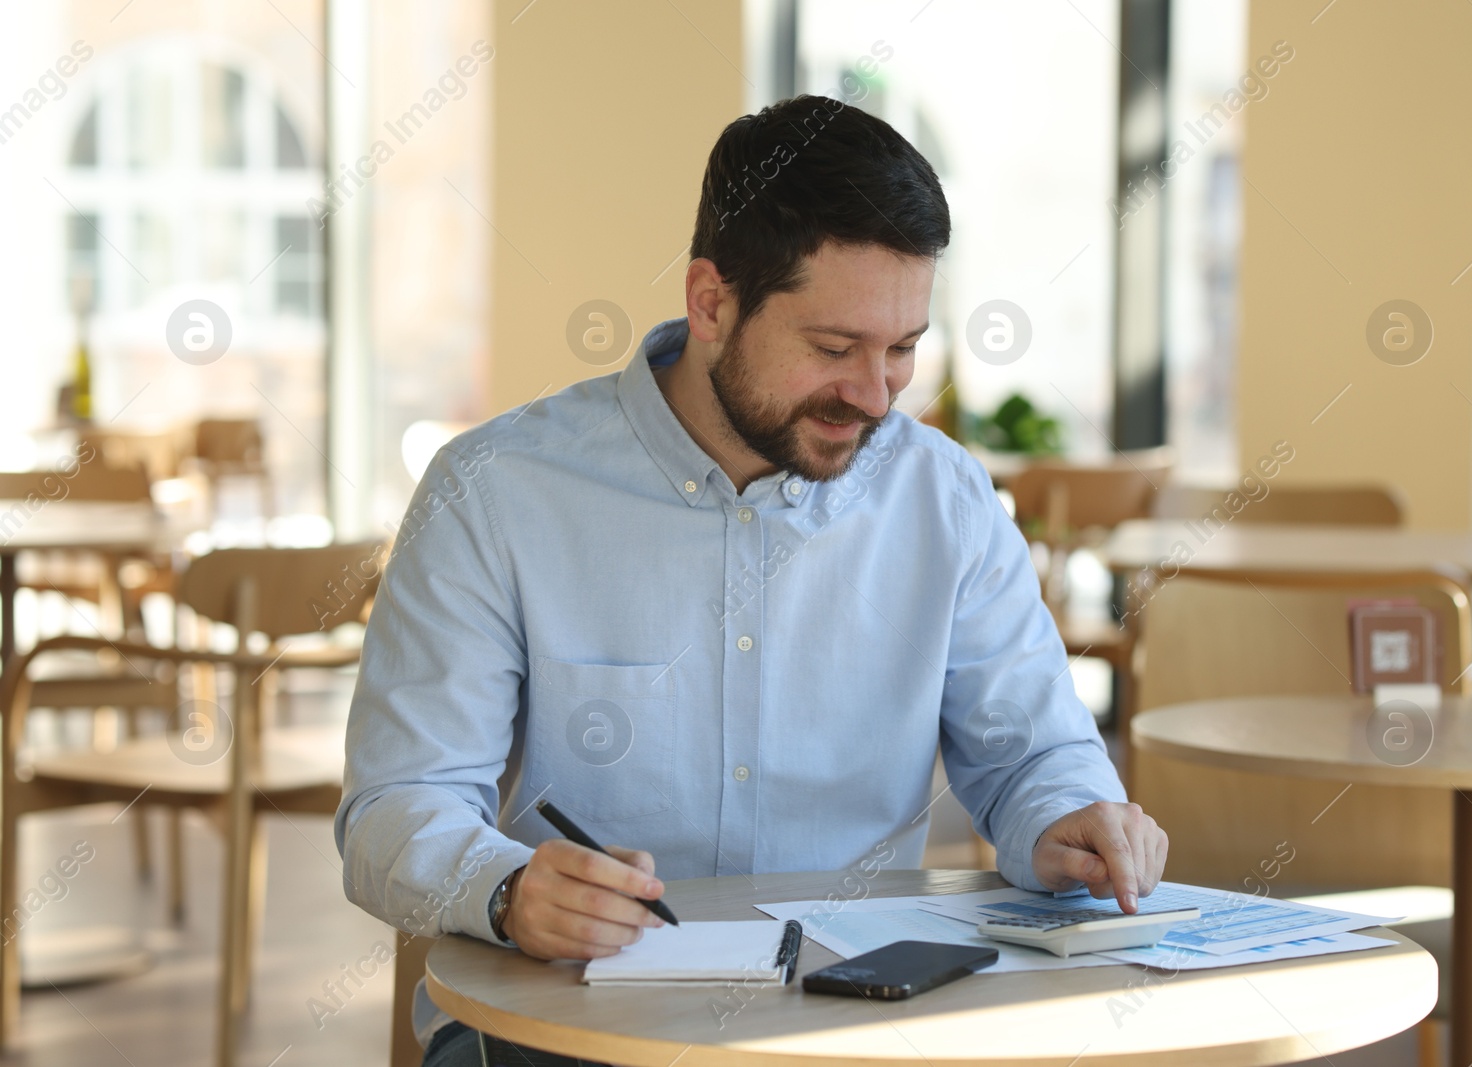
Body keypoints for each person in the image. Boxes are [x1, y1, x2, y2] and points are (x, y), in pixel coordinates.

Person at [336, 94, 1167, 1067]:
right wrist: (507, 887)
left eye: (902, 349)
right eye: (833, 348)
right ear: (711, 302)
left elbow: (1034, 757)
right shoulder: (495, 491)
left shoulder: (945, 499)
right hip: (564, 1025)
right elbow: (396, 803)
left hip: (860, 1024)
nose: (874, 394)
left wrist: (1068, 814)